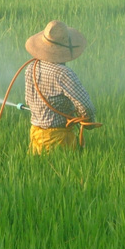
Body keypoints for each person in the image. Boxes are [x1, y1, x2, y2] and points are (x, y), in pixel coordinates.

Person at [24, 20, 96, 155]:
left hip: (36, 136)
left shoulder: (31, 68)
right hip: (59, 139)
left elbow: (28, 100)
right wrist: (89, 121)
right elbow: (85, 106)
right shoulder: (64, 73)